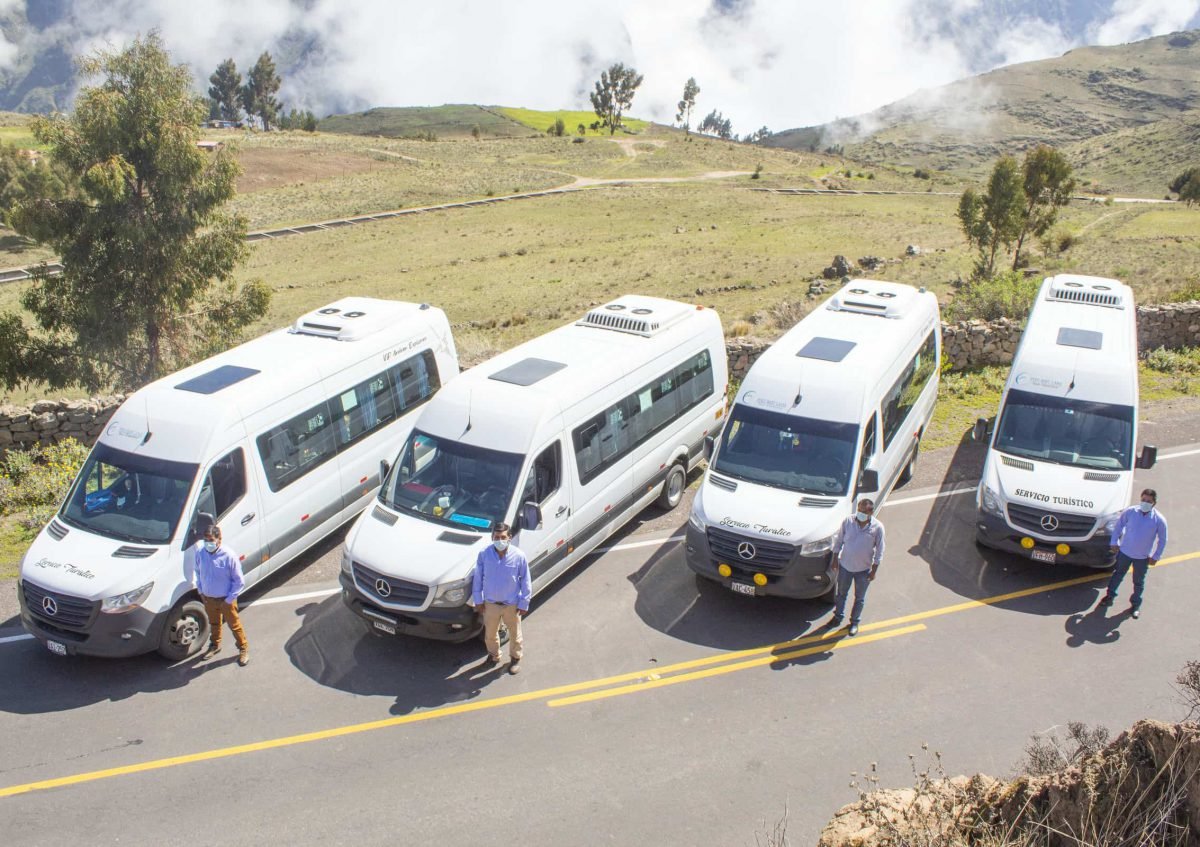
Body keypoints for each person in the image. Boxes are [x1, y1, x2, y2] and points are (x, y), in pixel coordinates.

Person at [472, 522, 531, 674]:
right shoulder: (484, 554)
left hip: (511, 604)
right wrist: (478, 600)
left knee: (515, 633)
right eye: (496, 537)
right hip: (490, 604)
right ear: (492, 537)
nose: (500, 540)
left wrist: (524, 602)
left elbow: (525, 580)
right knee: (490, 634)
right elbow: (478, 578)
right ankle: (493, 656)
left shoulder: (518, 556)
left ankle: (515, 658)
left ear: (509, 537)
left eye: (503, 537)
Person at [1099, 488, 1167, 619]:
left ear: (1154, 503)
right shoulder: (1130, 512)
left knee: (1138, 582)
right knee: (1117, 575)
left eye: (1149, 501)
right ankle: (1109, 596)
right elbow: (1118, 526)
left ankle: (1135, 605)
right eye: (1143, 500)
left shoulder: (1159, 520)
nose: (1145, 503)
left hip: (1142, 557)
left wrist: (1156, 556)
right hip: (1125, 552)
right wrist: (1114, 541)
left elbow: (1163, 540)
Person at [828, 498, 886, 637]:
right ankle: (838, 617)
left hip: (863, 570)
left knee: (859, 598)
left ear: (870, 512)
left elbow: (880, 551)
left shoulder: (877, 528)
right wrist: (835, 560)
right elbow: (839, 541)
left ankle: (854, 622)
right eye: (859, 510)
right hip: (845, 567)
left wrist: (874, 571)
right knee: (841, 594)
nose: (859, 514)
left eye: (863, 511)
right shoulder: (848, 521)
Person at [194, 524, 250, 666]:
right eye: (206, 540)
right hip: (209, 599)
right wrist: (201, 591)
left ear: (219, 539)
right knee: (214, 623)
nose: (208, 543)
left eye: (211, 540)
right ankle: (215, 646)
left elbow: (239, 581)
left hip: (226, 599)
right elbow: (198, 573)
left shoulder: (229, 556)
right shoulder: (200, 553)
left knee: (234, 625)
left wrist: (229, 599)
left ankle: (243, 648)